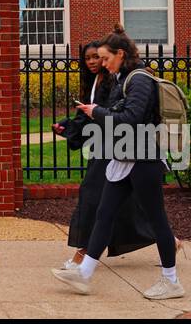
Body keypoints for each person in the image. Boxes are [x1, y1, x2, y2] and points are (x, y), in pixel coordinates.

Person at [53, 24, 184, 300]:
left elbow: (131, 118)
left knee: (157, 219)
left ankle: (171, 280)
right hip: (123, 157)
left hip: (144, 160)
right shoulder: (122, 78)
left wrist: (97, 111)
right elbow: (116, 112)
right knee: (105, 213)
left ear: (120, 54)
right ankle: (84, 273)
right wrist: (95, 113)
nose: (102, 63)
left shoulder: (139, 79)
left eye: (106, 58)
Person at [53, 41, 158, 271]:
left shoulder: (115, 80)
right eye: (87, 58)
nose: (92, 61)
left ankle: (82, 255)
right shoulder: (96, 81)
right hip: (104, 144)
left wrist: (93, 115)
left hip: (115, 145)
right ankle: (167, 240)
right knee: (120, 203)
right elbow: (89, 116)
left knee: (92, 197)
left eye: (97, 57)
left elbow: (116, 114)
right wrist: (67, 126)